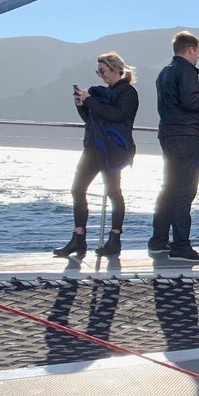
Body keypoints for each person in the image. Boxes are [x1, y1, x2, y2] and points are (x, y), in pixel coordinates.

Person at [54, 52, 139, 258]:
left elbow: (116, 115)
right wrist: (81, 105)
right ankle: (79, 237)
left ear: (116, 69)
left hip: (114, 151)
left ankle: (115, 238)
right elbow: (92, 118)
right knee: (78, 189)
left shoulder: (128, 92)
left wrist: (90, 101)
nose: (101, 75)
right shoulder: (100, 94)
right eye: (98, 71)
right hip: (94, 147)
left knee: (114, 193)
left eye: (103, 71)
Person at [150, 31, 199, 262]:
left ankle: (158, 240)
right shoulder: (187, 71)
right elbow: (191, 102)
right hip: (187, 137)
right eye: (198, 51)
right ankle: (181, 245)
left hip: (168, 135)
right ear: (190, 50)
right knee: (185, 191)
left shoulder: (165, 72)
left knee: (168, 188)